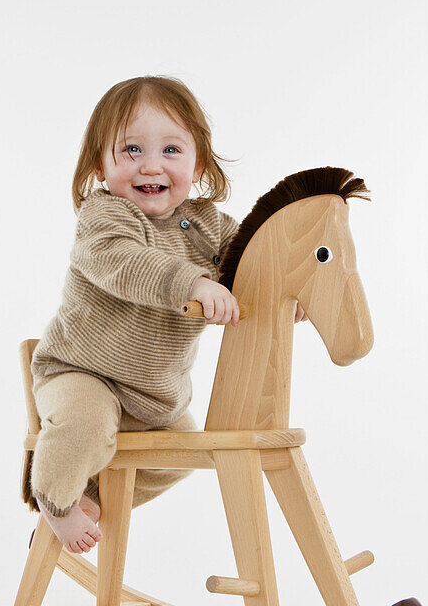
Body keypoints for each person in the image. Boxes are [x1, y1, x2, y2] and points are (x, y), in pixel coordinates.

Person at [28, 76, 303, 554]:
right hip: (83, 372)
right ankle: (55, 501)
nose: (150, 165)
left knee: (187, 453)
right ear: (101, 164)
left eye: (171, 150)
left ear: (198, 164)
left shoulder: (207, 224)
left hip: (156, 398)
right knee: (85, 426)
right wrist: (193, 283)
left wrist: (286, 291)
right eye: (131, 149)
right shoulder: (106, 217)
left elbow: (252, 260)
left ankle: (88, 494)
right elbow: (126, 264)